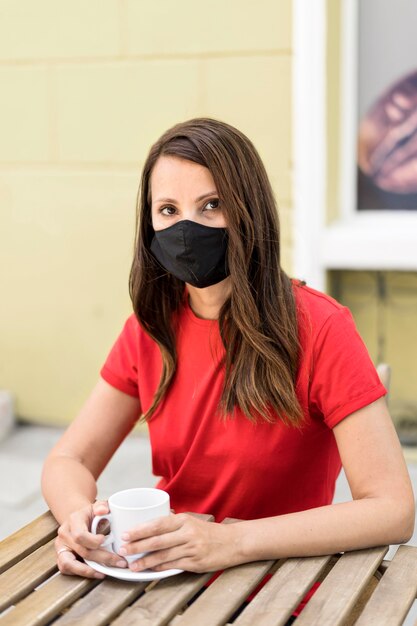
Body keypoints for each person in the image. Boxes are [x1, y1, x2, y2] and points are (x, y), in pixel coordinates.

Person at [42, 119, 414, 593]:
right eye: (168, 209)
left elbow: (392, 508)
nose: (186, 228)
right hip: (169, 579)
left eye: (211, 205)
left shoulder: (321, 328)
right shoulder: (148, 329)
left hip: (280, 585)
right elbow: (68, 458)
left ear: (248, 211)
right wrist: (78, 518)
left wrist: (231, 541)